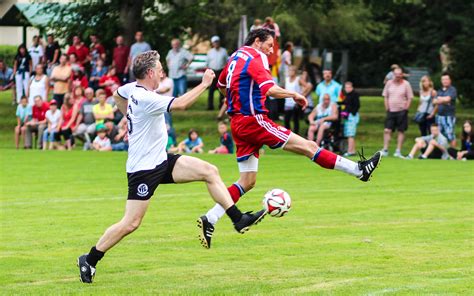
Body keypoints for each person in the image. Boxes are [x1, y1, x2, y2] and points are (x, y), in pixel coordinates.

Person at [77, 50, 267, 283]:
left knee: (210, 171)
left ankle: (238, 219)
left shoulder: (132, 89)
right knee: (131, 223)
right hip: (143, 170)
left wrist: (127, 116)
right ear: (149, 73)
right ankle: (90, 259)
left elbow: (117, 95)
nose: (162, 74)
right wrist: (205, 83)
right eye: (159, 70)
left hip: (161, 160)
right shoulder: (147, 98)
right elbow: (182, 104)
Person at [199, 28, 382, 249]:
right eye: (269, 45)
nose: (271, 49)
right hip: (254, 120)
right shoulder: (256, 56)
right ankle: (359, 170)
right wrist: (295, 94)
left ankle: (211, 217)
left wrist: (238, 101)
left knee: (248, 181)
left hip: (238, 123)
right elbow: (269, 89)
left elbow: (221, 86)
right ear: (257, 41)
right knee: (309, 146)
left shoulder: (235, 57)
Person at [381, 67, 414, 158]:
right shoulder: (389, 83)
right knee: (387, 130)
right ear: (393, 75)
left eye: (399, 75)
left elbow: (410, 97)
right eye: (396, 75)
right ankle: (385, 149)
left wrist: (406, 108)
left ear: (402, 75)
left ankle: (398, 150)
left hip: (402, 111)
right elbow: (385, 96)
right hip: (391, 111)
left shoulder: (406, 84)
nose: (398, 76)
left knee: (401, 130)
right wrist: (387, 107)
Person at [433, 73, 457, 148]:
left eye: (447, 79)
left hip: (449, 116)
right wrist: (444, 100)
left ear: (450, 80)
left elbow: (448, 99)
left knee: (450, 135)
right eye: (443, 79)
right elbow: (434, 101)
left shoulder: (452, 89)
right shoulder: (439, 90)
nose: (445, 81)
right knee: (440, 136)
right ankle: (444, 154)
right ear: (441, 81)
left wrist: (440, 99)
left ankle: (453, 154)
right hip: (439, 116)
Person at [206, 36, 228, 110]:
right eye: (215, 42)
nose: (216, 43)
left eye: (217, 42)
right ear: (212, 43)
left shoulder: (223, 51)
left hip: (221, 71)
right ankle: (210, 106)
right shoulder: (210, 52)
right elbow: (207, 63)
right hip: (212, 71)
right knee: (211, 90)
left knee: (221, 88)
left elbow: (226, 61)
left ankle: (221, 105)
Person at [283, 66, 305, 135]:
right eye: (289, 70)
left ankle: (296, 134)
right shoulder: (286, 79)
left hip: (295, 103)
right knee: (286, 120)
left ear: (295, 72)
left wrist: (302, 94)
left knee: (295, 120)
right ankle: (288, 134)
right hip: (287, 103)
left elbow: (308, 86)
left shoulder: (298, 79)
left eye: (292, 70)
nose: (290, 72)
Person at [341, 81, 360, 156]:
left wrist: (352, 113)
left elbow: (357, 105)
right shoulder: (347, 96)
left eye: (348, 87)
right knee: (350, 134)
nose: (347, 89)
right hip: (348, 116)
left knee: (350, 135)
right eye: (346, 87)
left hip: (352, 116)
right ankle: (353, 150)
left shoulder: (354, 95)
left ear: (352, 87)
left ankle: (350, 151)